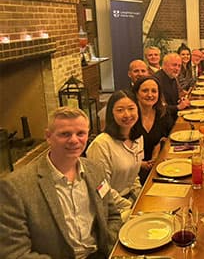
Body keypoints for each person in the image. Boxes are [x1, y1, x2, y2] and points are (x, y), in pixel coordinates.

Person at [0, 107, 121, 258]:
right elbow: (15, 253)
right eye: (65, 134)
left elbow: (112, 216)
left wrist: (110, 249)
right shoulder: (15, 187)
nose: (74, 140)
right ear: (48, 136)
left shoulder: (95, 170)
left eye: (80, 133)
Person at [87, 90, 143, 220]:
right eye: (120, 110)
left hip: (131, 200)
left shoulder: (137, 138)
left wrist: (141, 197)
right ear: (111, 113)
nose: (127, 114)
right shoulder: (101, 145)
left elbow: (133, 177)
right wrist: (131, 207)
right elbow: (101, 188)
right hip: (111, 209)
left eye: (131, 108)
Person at [132, 76, 174, 184]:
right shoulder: (130, 116)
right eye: (145, 91)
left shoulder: (162, 113)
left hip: (158, 166)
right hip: (133, 172)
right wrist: (140, 164)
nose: (150, 95)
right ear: (136, 93)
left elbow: (168, 137)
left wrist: (158, 150)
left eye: (154, 91)